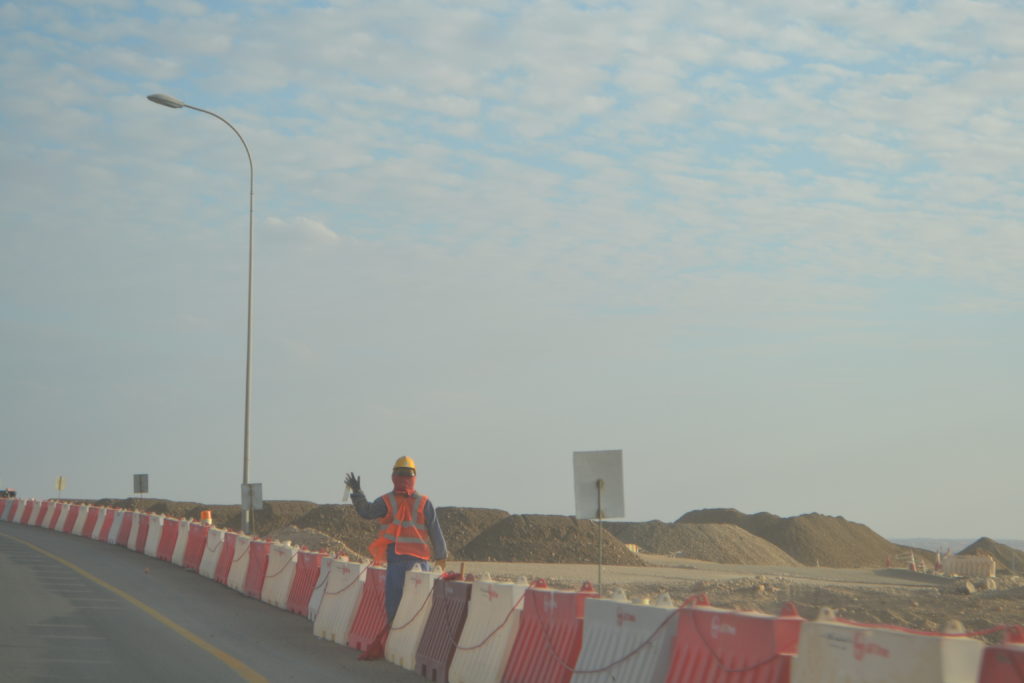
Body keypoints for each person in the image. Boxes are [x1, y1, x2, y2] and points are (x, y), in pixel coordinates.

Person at [345, 456, 447, 628]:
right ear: (414, 477)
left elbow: (366, 512)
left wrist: (357, 492)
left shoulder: (386, 501)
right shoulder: (424, 503)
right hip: (420, 562)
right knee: (419, 604)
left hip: (397, 561)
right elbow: (436, 531)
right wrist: (441, 557)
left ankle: (393, 635)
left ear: (393, 476)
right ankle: (415, 636)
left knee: (395, 604)